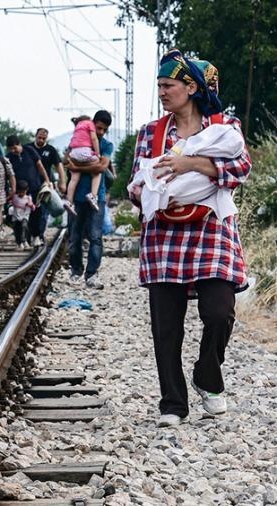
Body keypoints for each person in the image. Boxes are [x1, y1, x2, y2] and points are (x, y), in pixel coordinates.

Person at [129, 49, 251, 428]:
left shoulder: (223, 125)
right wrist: (145, 190)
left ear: (191, 87)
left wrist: (189, 165)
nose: (163, 92)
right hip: (164, 232)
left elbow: (241, 167)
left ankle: (207, 374)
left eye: (169, 86)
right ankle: (173, 404)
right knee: (166, 326)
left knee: (219, 312)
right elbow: (137, 181)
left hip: (211, 228)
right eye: (160, 86)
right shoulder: (151, 132)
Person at [64, 110, 114, 290]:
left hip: (97, 198)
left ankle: (91, 274)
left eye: (104, 129)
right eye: (98, 127)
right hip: (77, 197)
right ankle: (76, 271)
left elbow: (101, 166)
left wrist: (78, 166)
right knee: (74, 237)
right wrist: (89, 166)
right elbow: (67, 162)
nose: (100, 132)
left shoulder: (107, 145)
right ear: (93, 124)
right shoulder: (79, 139)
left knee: (95, 237)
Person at [5, 135, 50, 246]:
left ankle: (36, 236)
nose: (13, 151)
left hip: (34, 187)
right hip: (18, 191)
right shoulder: (9, 157)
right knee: (18, 216)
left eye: (15, 148)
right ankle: (21, 239)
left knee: (36, 213)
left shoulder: (29, 150)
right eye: (11, 149)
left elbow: (40, 165)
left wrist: (47, 180)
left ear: (19, 144)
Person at [64, 116, 102, 214]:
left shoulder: (77, 128)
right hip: (84, 152)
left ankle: (69, 201)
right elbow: (94, 139)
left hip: (73, 154)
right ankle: (93, 195)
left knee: (74, 177)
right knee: (97, 169)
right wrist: (97, 153)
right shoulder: (90, 124)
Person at [31, 128, 66, 195]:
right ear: (35, 136)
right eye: (39, 137)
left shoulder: (51, 150)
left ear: (46, 138)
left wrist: (63, 182)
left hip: (46, 183)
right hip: (31, 183)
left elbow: (59, 166)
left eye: (44, 138)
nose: (41, 140)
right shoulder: (28, 148)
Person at [9, 180, 34, 249]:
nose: (21, 193)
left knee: (24, 226)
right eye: (20, 192)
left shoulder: (28, 198)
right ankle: (19, 243)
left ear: (26, 190)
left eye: (23, 192)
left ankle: (24, 241)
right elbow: (12, 203)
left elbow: (33, 208)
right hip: (16, 217)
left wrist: (30, 205)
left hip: (25, 216)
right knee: (17, 230)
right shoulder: (15, 197)